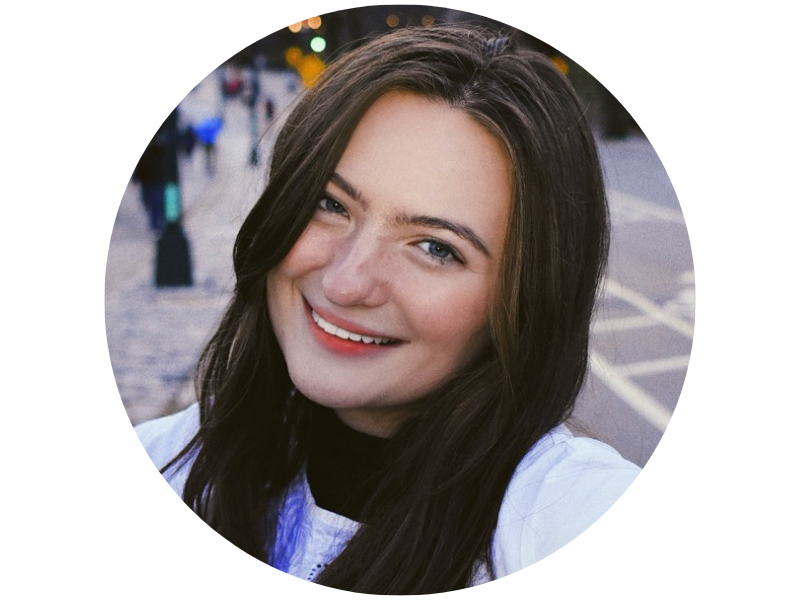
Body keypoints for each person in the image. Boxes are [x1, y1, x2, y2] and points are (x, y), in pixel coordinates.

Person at [135, 24, 641, 593]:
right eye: (331, 204)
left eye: (436, 248)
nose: (347, 282)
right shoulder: (162, 462)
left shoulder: (559, 521)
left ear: (526, 299)